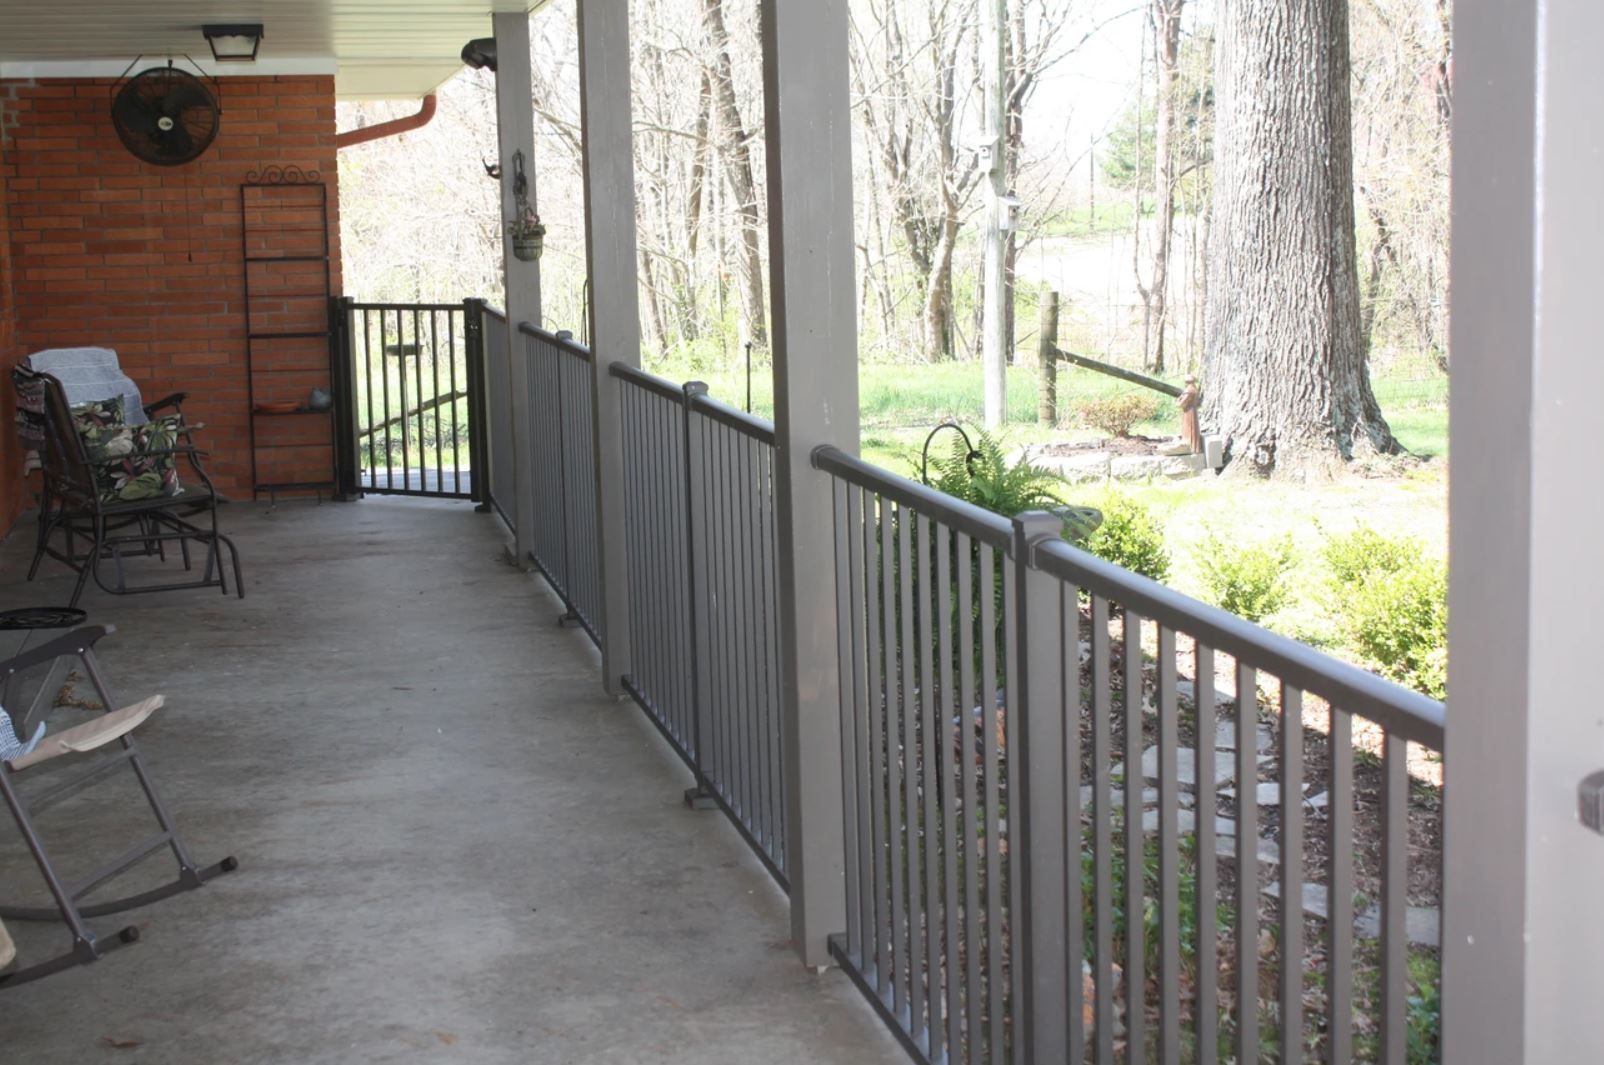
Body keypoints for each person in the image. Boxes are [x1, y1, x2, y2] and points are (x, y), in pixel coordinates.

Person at [1177, 375, 1203, 454]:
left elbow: (1181, 404)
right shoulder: (1195, 390)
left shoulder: (1189, 391)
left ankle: (1191, 447)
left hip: (1189, 412)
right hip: (1193, 411)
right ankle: (1194, 446)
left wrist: (1178, 401)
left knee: (1189, 429)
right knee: (1193, 428)